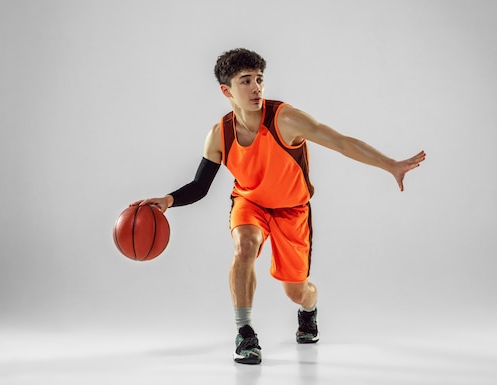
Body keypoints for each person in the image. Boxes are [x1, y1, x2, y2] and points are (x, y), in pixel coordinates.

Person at [132, 48, 426, 365]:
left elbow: (341, 142)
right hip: (250, 202)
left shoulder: (285, 119)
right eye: (246, 81)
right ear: (226, 91)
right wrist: (169, 200)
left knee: (297, 291)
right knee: (244, 247)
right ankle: (245, 334)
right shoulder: (219, 135)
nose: (256, 88)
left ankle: (309, 309)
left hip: (292, 210)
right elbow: (200, 186)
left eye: (259, 79)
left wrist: (390, 164)